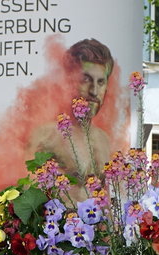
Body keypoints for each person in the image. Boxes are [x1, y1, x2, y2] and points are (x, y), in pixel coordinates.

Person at [28, 38, 115, 181]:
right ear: (69, 81)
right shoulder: (46, 135)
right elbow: (29, 188)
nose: (94, 91)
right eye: (85, 79)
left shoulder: (104, 140)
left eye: (100, 82)